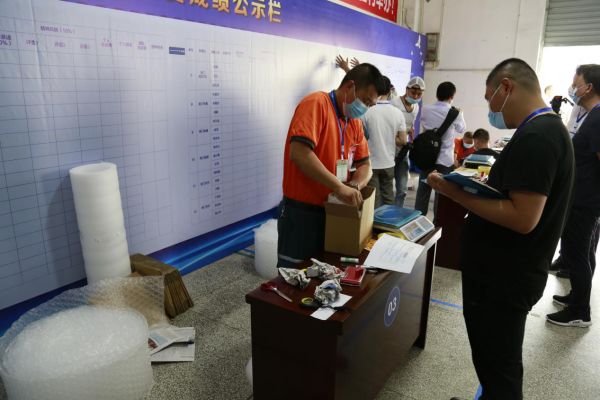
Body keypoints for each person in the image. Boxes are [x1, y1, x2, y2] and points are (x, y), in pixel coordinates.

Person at [426, 59, 574, 400]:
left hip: (504, 278)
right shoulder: (544, 129)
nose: (491, 108)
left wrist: (455, 193)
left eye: (490, 97)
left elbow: (523, 217)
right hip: (506, 273)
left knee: (500, 370)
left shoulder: (537, 136)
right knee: (494, 362)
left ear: (507, 87)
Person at [277, 63, 386, 269]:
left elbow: (365, 165)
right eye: (365, 101)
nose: (365, 108)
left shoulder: (354, 123)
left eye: (370, 106)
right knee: (296, 274)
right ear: (350, 86)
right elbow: (299, 153)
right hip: (303, 214)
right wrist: (338, 187)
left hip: (336, 212)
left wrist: (354, 186)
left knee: (328, 273)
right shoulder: (316, 104)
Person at [546, 64, 600, 328]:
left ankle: (580, 311)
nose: (572, 88)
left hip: (584, 200)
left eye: (576, 83)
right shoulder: (590, 115)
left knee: (576, 253)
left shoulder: (598, 118)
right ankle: (577, 297)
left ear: (588, 87)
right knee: (583, 252)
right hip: (581, 196)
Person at [414, 82, 467, 222]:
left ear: (436, 95)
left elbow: (424, 124)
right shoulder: (455, 113)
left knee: (423, 192)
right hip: (444, 160)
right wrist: (461, 114)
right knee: (441, 194)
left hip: (427, 158)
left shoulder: (425, 109)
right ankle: (437, 224)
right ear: (452, 96)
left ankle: (417, 222)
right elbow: (462, 129)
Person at [361, 76, 408, 208]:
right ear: (389, 91)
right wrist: (392, 137)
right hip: (389, 162)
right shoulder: (398, 113)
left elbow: (360, 137)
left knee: (373, 200)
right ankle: (389, 220)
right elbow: (403, 140)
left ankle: (374, 222)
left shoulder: (367, 111)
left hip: (371, 163)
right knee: (388, 198)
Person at [390, 76, 425, 208]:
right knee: (386, 188)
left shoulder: (415, 107)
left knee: (402, 189)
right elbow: (386, 126)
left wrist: (411, 136)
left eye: (419, 94)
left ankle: (398, 213)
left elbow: (411, 125)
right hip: (389, 151)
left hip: (403, 151)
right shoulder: (394, 104)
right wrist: (396, 139)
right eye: (413, 93)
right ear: (406, 89)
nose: (415, 96)